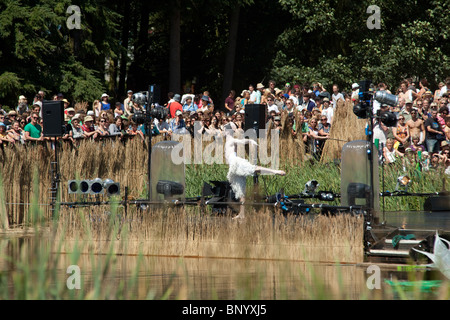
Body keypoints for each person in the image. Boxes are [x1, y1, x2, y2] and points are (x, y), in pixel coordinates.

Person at [224, 122, 285, 219]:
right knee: (240, 191)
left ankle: (275, 171)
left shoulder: (231, 139)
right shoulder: (227, 138)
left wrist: (250, 141)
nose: (225, 131)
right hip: (232, 168)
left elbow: (241, 141)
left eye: (226, 129)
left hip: (236, 163)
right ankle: (242, 214)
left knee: (254, 169)